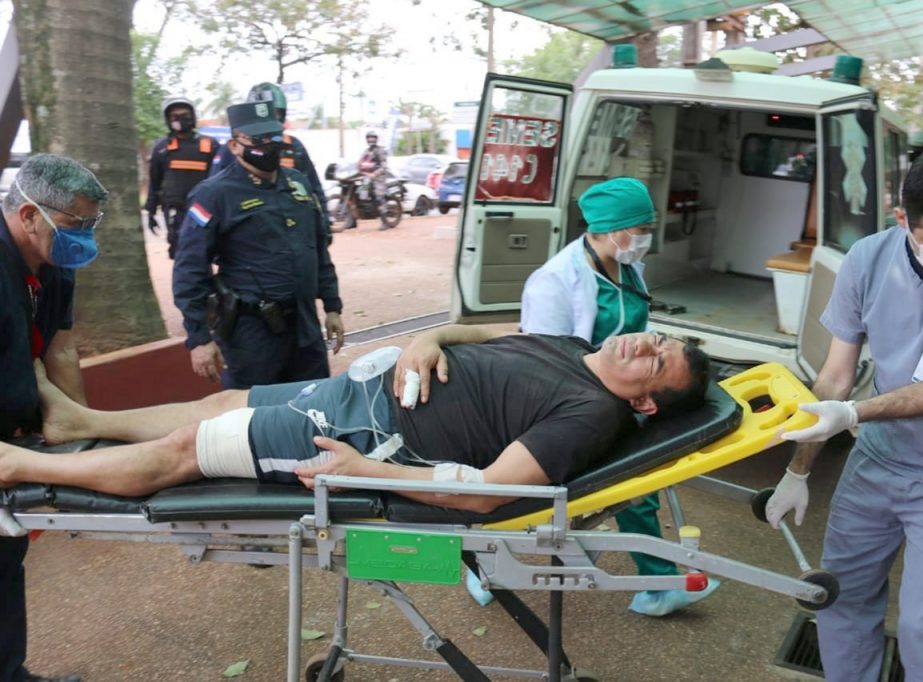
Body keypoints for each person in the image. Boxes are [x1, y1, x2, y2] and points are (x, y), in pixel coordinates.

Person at [764, 147, 923, 682]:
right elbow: (835, 377)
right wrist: (798, 470)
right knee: (840, 597)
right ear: (902, 217)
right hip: (880, 459)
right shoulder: (868, 258)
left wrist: (852, 411)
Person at [0, 326, 709, 514]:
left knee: (190, 448)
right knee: (220, 402)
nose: (643, 346)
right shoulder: (573, 347)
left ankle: (19, 465)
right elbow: (476, 330)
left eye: (656, 363)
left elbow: (492, 491)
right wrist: (428, 339)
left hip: (364, 436)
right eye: (657, 339)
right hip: (360, 390)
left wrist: (364, 471)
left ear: (645, 403)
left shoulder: (590, 414)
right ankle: (76, 422)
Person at [509, 177, 719, 617]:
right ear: (609, 229)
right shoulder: (554, 283)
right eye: (641, 229)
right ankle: (658, 586)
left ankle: (656, 582)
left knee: (642, 481)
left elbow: (636, 327)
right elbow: (543, 364)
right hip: (577, 402)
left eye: (648, 229)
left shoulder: (627, 267)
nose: (646, 238)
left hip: (623, 394)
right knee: (633, 485)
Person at [0, 154, 108, 682]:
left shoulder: (54, 264)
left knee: (5, 561)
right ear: (28, 215)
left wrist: (80, 435)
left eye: (90, 225)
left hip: (13, 437)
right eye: (74, 224)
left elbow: (61, 349)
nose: (83, 238)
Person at [173, 101, 344, 390]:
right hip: (251, 335)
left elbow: (317, 251)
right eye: (258, 140)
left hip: (305, 329)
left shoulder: (299, 185)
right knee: (252, 412)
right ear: (234, 146)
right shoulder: (214, 194)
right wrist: (199, 338)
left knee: (314, 405)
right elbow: (189, 269)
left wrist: (332, 307)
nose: (269, 145)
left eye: (274, 136)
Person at [210, 83, 331, 238]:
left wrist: (324, 225)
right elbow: (214, 193)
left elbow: (314, 188)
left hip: (293, 228)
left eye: (275, 114)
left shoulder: (293, 146)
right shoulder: (235, 148)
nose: (268, 120)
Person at [143, 95, 220, 259]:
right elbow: (154, 182)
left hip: (205, 208)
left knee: (205, 250)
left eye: (185, 115)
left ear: (193, 116)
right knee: (179, 250)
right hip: (174, 210)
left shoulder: (210, 145)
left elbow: (221, 179)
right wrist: (151, 212)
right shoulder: (162, 148)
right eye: (175, 116)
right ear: (168, 120)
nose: (180, 119)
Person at [356, 130, 390, 230]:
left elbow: (384, 166)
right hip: (366, 177)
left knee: (379, 197)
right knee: (359, 194)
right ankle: (352, 221)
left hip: (378, 178)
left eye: (372, 138)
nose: (371, 140)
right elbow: (359, 163)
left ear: (376, 139)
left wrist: (374, 174)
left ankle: (385, 222)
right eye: (369, 138)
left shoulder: (380, 151)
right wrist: (358, 169)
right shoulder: (366, 151)